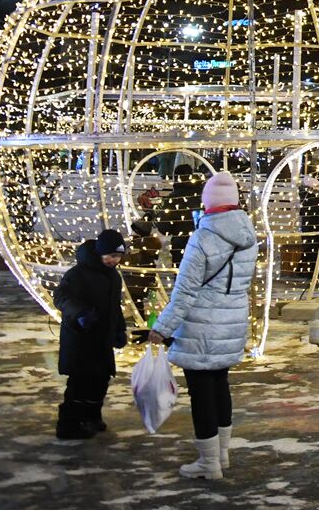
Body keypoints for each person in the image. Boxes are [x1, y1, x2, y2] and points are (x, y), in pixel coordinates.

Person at [149, 171, 257, 479]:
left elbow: (185, 292)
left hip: (200, 327)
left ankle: (208, 464)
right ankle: (221, 456)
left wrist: (162, 328)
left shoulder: (202, 240)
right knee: (220, 386)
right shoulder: (248, 237)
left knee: (202, 393)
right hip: (231, 323)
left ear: (207, 204)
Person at [53, 229, 128, 439]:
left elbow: (115, 306)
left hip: (101, 340)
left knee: (100, 380)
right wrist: (80, 313)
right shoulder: (77, 274)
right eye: (111, 256)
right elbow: (60, 297)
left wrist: (119, 329)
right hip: (79, 339)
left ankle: (92, 416)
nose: (114, 260)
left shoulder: (113, 276)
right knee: (79, 382)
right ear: (99, 252)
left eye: (118, 256)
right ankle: (68, 425)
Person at [160, 164, 203, 266]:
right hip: (202, 244)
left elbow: (164, 228)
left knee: (182, 277)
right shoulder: (204, 194)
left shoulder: (173, 198)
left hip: (181, 246)